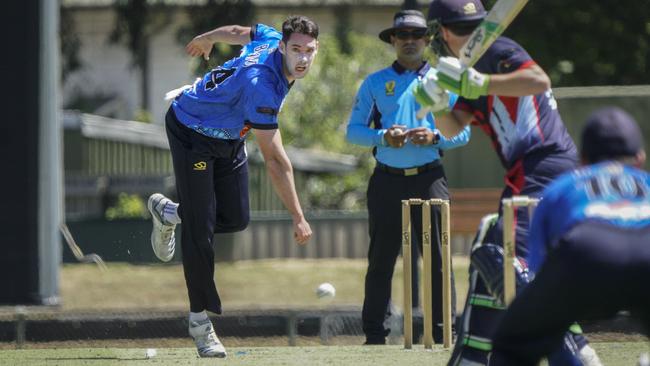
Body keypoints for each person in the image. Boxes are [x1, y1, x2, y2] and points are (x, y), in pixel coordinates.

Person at [414, 0, 600, 364]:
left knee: (501, 257)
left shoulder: (498, 50)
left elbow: (538, 81)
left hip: (542, 166)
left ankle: (570, 352)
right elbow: (454, 126)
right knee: (497, 265)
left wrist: (477, 81)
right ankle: (480, 357)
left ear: (443, 32)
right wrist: (434, 103)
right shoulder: (468, 69)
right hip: (530, 172)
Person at [147, 16, 317, 358]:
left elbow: (240, 33)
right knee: (200, 229)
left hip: (229, 138)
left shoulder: (270, 38)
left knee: (235, 218)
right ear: (282, 47)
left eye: (309, 51)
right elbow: (275, 160)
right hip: (191, 130)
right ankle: (200, 323)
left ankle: (169, 212)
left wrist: (208, 37)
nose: (302, 58)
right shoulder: (262, 87)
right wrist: (298, 215)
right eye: (295, 49)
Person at [346, 9, 471, 345]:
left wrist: (434, 138)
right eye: (403, 35)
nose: (410, 41)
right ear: (393, 41)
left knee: (438, 259)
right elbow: (354, 132)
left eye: (417, 35)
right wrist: (384, 136)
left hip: (429, 177)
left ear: (428, 40)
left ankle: (444, 330)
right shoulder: (375, 83)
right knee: (382, 259)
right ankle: (375, 335)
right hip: (387, 180)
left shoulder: (444, 81)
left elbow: (463, 133)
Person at [489, 107, 650, 365]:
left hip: (587, 251)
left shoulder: (564, 186)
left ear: (583, 159)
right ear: (640, 158)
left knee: (511, 345)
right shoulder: (646, 181)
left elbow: (540, 269)